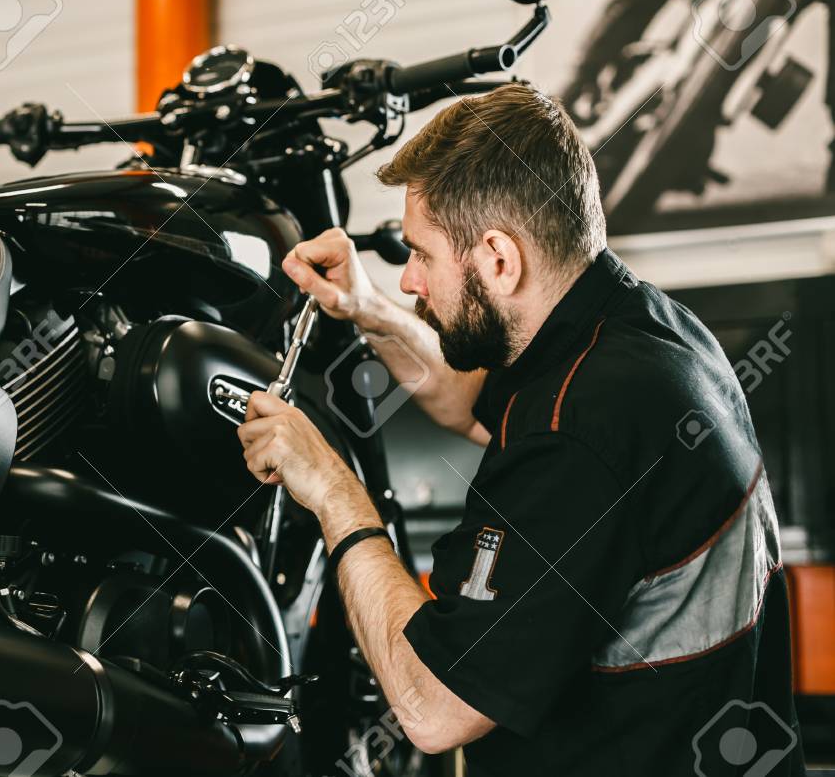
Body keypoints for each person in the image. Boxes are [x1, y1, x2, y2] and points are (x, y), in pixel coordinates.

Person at [238, 83, 802, 775]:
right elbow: (471, 402)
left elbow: (433, 709)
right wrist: (367, 309)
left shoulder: (581, 431)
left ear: (500, 260)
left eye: (421, 254)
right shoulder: (642, 334)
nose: (409, 278)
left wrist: (330, 489)